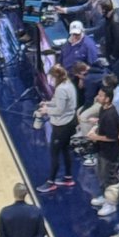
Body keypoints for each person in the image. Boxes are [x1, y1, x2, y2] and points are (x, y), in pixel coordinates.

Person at [36, 63, 79, 193]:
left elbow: (59, 109)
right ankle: (68, 177)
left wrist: (46, 110)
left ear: (55, 77)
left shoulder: (61, 89)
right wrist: (48, 103)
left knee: (54, 153)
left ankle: (51, 182)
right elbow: (60, 102)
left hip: (62, 125)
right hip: (70, 121)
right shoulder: (68, 84)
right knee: (65, 150)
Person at [87, 85, 119, 196]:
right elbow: (103, 123)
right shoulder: (103, 109)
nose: (98, 97)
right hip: (102, 149)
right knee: (100, 174)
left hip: (109, 153)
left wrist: (95, 137)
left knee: (107, 177)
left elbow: (112, 137)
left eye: (101, 96)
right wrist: (97, 121)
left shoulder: (111, 115)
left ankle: (111, 200)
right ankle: (104, 196)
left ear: (107, 99)